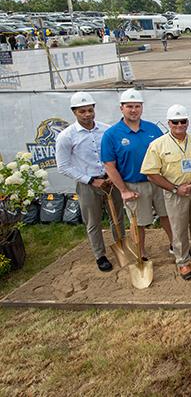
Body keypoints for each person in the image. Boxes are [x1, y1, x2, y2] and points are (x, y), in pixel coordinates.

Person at [140, 105, 191, 281]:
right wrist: (174, 188)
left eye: (183, 121)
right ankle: (183, 261)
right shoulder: (158, 145)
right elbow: (151, 173)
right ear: (169, 123)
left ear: (188, 122)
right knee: (179, 228)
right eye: (175, 122)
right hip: (174, 193)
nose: (179, 125)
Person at [55, 92, 125, 272]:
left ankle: (122, 247)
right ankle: (100, 255)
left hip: (110, 181)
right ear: (74, 112)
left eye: (90, 110)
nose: (87, 114)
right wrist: (91, 180)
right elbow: (63, 166)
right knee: (93, 222)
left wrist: (112, 176)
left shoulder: (106, 130)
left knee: (117, 217)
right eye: (82, 111)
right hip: (88, 185)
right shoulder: (66, 136)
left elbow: (116, 154)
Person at [101, 88, 173, 260]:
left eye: (137, 106)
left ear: (141, 108)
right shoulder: (111, 134)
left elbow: (165, 154)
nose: (133, 110)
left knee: (167, 215)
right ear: (122, 108)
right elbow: (109, 166)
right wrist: (124, 190)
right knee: (138, 222)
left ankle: (175, 245)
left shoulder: (152, 129)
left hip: (157, 181)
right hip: (134, 185)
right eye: (129, 106)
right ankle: (141, 252)